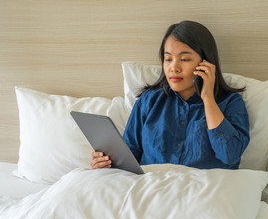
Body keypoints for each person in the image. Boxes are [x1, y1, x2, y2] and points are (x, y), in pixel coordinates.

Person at [91, 20, 249, 170]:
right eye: (168, 59)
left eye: (184, 59)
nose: (174, 67)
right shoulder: (149, 101)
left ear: (205, 62)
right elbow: (128, 158)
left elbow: (230, 155)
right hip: (152, 191)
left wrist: (208, 99)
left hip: (201, 194)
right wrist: (105, 162)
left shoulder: (230, 103)